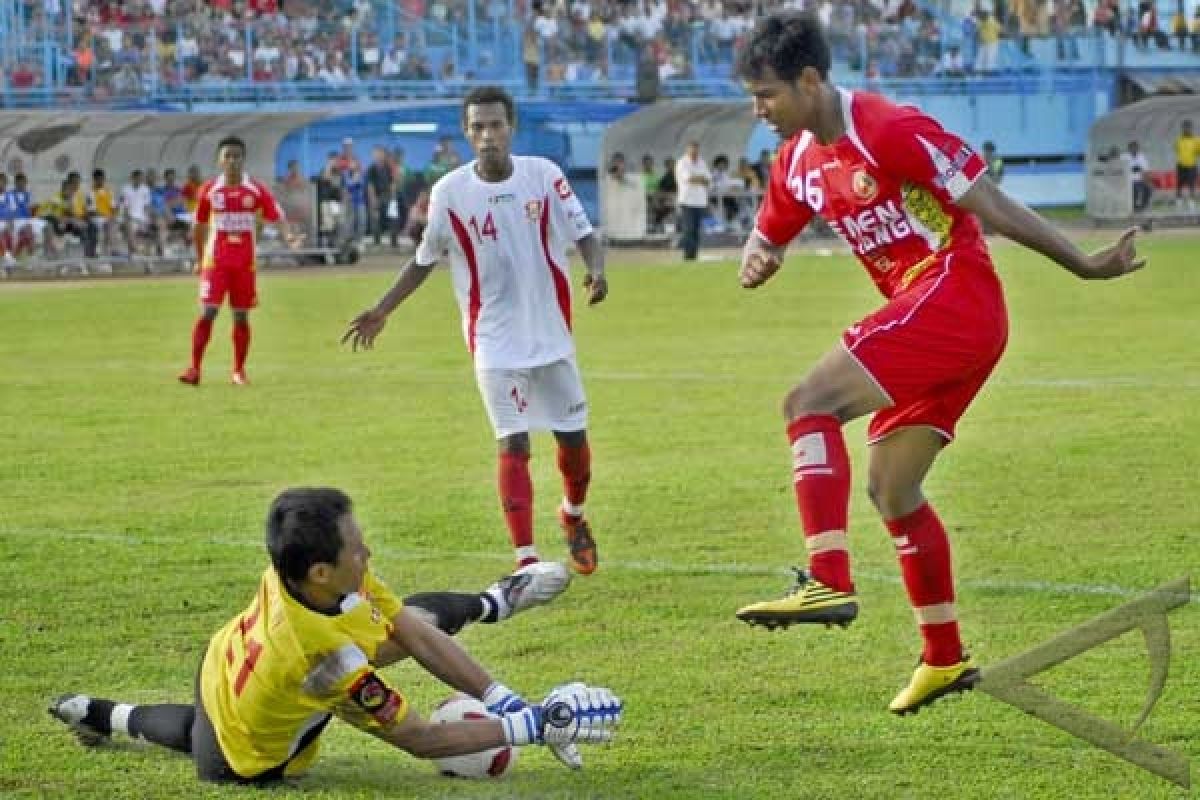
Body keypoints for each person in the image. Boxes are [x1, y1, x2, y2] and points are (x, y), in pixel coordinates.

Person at [732, 12, 1143, 716]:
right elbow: (772, 224)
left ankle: (827, 577)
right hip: (936, 320)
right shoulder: (795, 159)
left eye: (766, 94)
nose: (758, 110)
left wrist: (1082, 264)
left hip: (956, 295)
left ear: (809, 80)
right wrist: (760, 249)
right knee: (893, 490)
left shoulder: (888, 128)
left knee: (808, 403)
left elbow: (989, 203)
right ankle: (944, 657)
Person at [48, 487, 621, 785]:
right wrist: (534, 726)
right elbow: (419, 738)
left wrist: (508, 702)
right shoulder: (322, 657)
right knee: (197, 736)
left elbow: (410, 632)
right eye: (356, 547)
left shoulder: (307, 572)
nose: (367, 552)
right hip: (248, 750)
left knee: (406, 621)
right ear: (322, 570)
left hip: (222, 657)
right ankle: (103, 714)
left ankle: (492, 600)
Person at [343, 86, 608, 577]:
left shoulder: (544, 176)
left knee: (574, 446)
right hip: (493, 340)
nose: (487, 135)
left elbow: (586, 235)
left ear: (512, 127)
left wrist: (597, 271)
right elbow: (423, 261)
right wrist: (383, 309)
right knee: (514, 444)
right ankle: (526, 562)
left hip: (551, 336)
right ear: (467, 133)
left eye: (496, 125)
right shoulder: (449, 193)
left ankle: (572, 517)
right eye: (477, 127)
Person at [178, 136, 302, 387]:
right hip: (216, 263)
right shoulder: (210, 190)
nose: (233, 161)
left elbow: (276, 215)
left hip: (245, 264)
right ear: (220, 160)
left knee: (241, 317)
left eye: (237, 156)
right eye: (228, 156)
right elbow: (200, 227)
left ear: (243, 160)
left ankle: (238, 371)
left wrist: (289, 235)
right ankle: (194, 369)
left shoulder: (254, 189)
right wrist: (200, 259)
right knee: (208, 312)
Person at [674, 140, 711, 260]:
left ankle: (694, 255)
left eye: (696, 148)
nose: (694, 151)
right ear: (687, 149)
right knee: (688, 229)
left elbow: (708, 180)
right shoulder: (682, 162)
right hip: (687, 201)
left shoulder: (701, 162)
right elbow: (688, 179)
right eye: (692, 148)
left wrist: (699, 178)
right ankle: (687, 255)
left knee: (696, 230)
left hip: (700, 201)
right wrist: (700, 178)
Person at [1121, 140, 1151, 212]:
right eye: (1132, 148)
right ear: (1129, 149)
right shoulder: (1124, 156)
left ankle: (1142, 207)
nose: (1134, 150)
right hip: (1127, 180)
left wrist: (1146, 179)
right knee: (1135, 188)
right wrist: (1132, 169)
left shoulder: (1141, 156)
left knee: (1148, 188)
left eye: (1136, 148)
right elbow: (1119, 167)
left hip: (1139, 179)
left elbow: (1146, 169)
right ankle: (1133, 206)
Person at [1174, 120, 1198, 210]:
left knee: (1192, 184)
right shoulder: (1179, 140)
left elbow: (1198, 152)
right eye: (1185, 127)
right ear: (1182, 129)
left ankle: (1191, 203)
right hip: (1181, 165)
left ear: (1191, 129)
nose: (1186, 129)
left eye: (1188, 127)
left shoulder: (1196, 140)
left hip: (1191, 165)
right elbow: (1177, 150)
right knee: (1179, 184)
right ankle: (1178, 203)